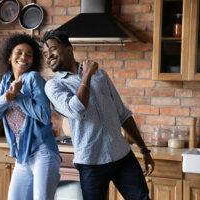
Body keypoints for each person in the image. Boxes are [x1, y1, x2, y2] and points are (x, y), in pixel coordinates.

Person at [41, 30, 155, 200]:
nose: (48, 56)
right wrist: (86, 74)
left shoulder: (100, 75)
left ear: (69, 50)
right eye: (44, 54)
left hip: (122, 155)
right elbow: (77, 110)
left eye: (52, 49)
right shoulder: (54, 86)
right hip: (90, 163)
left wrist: (144, 150)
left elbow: (123, 114)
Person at [0, 34, 60, 200]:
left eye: (29, 54)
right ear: (9, 57)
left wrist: (18, 96)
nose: (24, 57)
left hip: (43, 152)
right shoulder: (6, 80)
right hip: (22, 155)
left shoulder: (34, 78)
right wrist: (6, 97)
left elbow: (44, 115)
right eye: (19, 53)